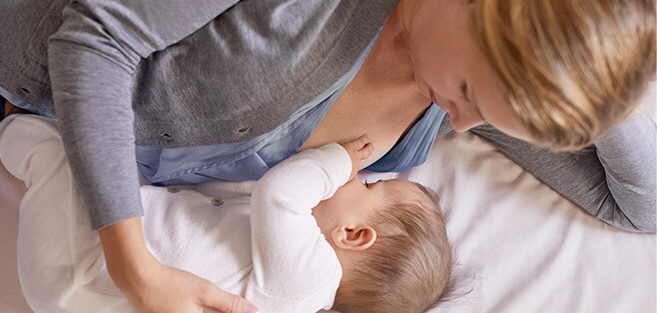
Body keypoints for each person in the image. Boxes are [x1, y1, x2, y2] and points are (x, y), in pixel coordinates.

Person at [0, 0, 654, 311]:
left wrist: (594, 62)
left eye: (486, 115)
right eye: (468, 91)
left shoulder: (453, 105)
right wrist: (132, 265)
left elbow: (637, 207)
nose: (460, 119)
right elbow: (94, 38)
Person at [0, 114, 452, 313]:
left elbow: (278, 194)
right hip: (97, 276)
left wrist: (337, 163)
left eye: (370, 184)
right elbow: (228, 195)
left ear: (353, 235)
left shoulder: (313, 279)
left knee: (52, 149)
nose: (361, 174)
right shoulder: (287, 278)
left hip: (84, 266)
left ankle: (10, 122)